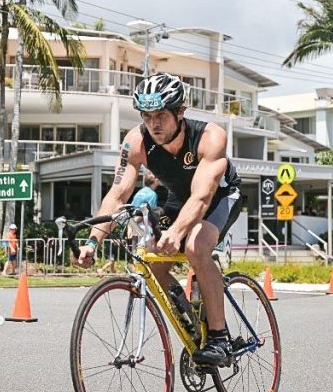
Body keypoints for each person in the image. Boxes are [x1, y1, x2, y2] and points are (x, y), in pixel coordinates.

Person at [74, 73, 242, 367]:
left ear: (180, 112)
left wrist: (177, 232)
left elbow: (202, 198)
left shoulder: (210, 137)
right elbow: (117, 194)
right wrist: (92, 240)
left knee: (195, 247)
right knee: (153, 264)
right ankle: (191, 323)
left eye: (161, 115)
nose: (154, 123)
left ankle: (219, 338)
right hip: (179, 199)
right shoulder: (136, 141)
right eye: (147, 115)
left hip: (220, 196)